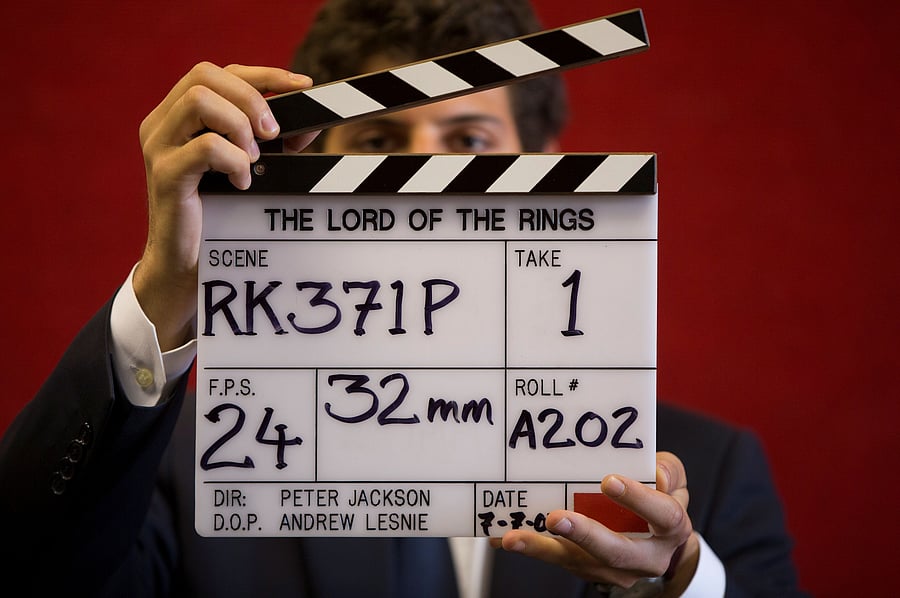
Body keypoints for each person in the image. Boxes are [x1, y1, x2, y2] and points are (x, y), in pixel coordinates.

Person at [0, 0, 804, 596]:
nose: (434, 179)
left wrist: (682, 581)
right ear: (310, 187)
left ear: (546, 173)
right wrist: (167, 289)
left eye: (470, 141)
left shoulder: (711, 470)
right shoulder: (194, 466)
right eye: (381, 141)